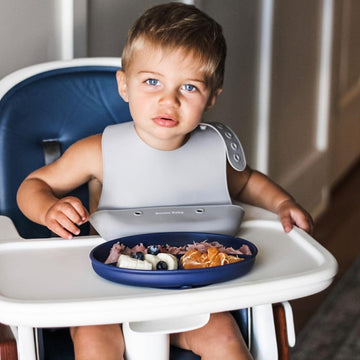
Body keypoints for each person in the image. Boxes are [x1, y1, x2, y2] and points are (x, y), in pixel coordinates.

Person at [17, 3, 313, 360]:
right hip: (107, 289)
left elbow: (248, 182)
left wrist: (282, 204)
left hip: (186, 288)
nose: (168, 100)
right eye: (152, 81)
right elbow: (32, 186)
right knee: (95, 342)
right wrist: (49, 208)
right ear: (125, 85)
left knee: (224, 337)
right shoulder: (98, 152)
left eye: (188, 87)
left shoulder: (214, 151)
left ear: (211, 97)